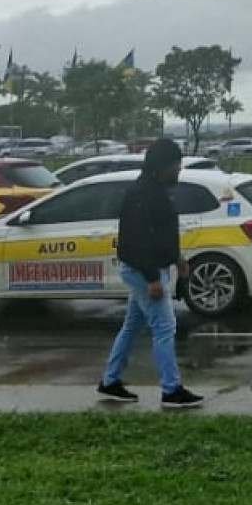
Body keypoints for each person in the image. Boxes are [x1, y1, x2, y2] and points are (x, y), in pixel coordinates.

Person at [98, 138, 203, 408]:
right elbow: (136, 242)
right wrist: (153, 278)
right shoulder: (142, 194)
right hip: (143, 271)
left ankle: (110, 381)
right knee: (165, 327)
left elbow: (160, 234)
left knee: (132, 326)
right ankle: (171, 390)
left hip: (152, 268)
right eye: (176, 166)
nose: (179, 171)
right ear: (161, 166)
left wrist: (176, 258)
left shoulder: (155, 189)